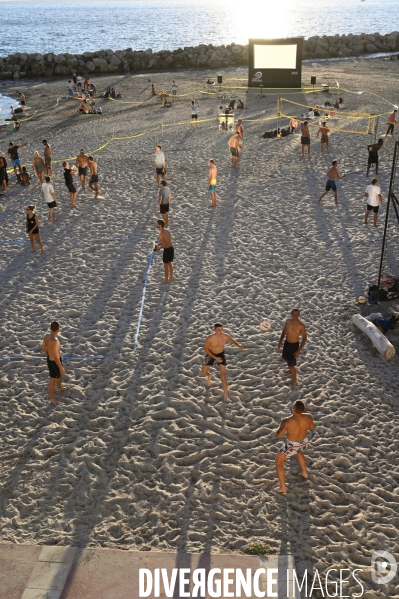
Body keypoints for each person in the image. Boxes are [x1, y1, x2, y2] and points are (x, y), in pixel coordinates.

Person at [275, 400, 316, 494]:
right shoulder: (309, 416)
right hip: (304, 443)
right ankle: (304, 473)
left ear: (293, 409)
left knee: (278, 462)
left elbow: (278, 435)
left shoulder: (287, 421)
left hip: (292, 445)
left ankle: (283, 488)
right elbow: (313, 428)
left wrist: (281, 425)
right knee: (299, 451)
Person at [201, 323, 244, 402]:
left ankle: (225, 395)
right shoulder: (209, 338)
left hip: (220, 354)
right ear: (214, 330)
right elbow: (206, 349)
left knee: (223, 375)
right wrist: (215, 358)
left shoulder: (225, 336)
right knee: (203, 372)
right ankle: (209, 375)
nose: (220, 331)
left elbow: (232, 340)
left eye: (222, 329)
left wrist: (238, 345)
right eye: (218, 330)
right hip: (210, 354)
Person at [278, 309, 307, 388]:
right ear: (291, 314)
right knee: (286, 358)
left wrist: (299, 350)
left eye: (297, 315)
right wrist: (280, 340)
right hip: (287, 343)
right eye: (294, 314)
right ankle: (291, 370)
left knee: (291, 365)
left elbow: (304, 338)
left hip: (294, 346)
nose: (296, 316)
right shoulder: (288, 322)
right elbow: (284, 331)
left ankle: (295, 380)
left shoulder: (301, 325)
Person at [42, 321, 68, 405]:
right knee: (52, 380)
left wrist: (47, 353)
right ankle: (53, 399)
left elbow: (43, 346)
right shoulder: (55, 341)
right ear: (58, 329)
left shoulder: (47, 336)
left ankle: (59, 387)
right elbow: (56, 357)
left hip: (50, 359)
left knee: (59, 375)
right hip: (54, 362)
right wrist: (61, 367)